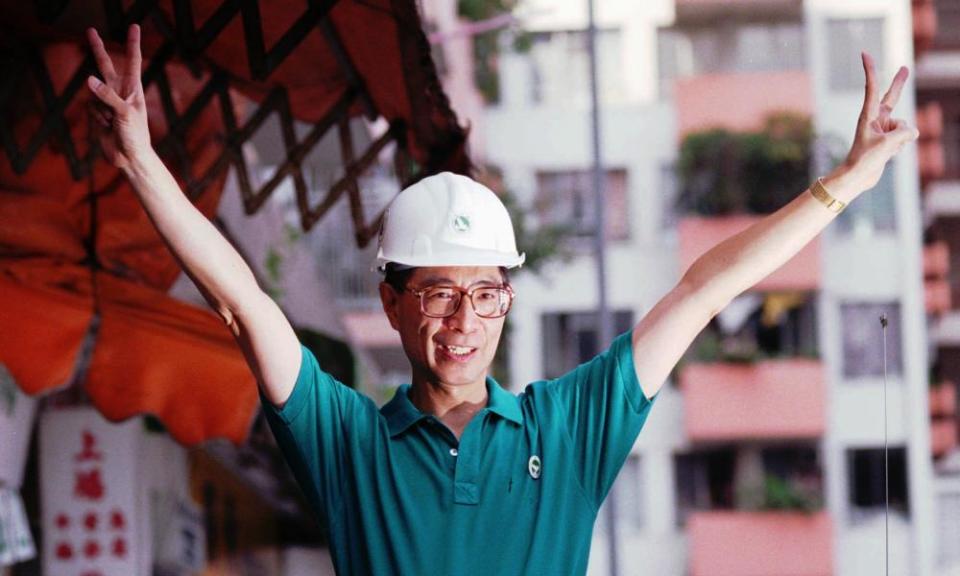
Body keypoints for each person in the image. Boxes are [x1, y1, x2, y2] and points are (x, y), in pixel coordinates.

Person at [86, 23, 919, 576]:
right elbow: (243, 307)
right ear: (393, 303)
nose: (463, 321)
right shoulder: (346, 443)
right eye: (441, 294)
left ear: (507, 305)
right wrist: (142, 165)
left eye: (485, 295)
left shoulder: (569, 429)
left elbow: (704, 290)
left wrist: (845, 184)